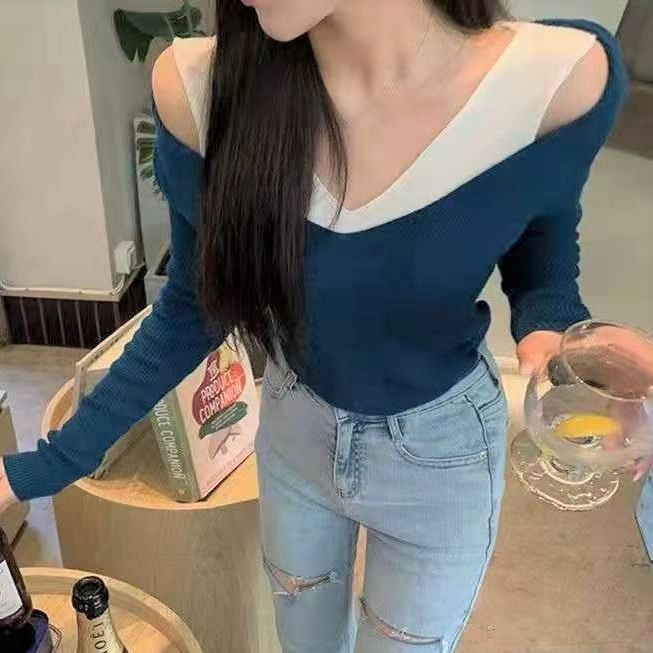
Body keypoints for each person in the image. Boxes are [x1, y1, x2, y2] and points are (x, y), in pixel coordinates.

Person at [0, 1, 643, 650]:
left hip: (440, 454)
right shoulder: (202, 94)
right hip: (296, 429)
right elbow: (194, 306)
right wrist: (44, 466)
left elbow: (542, 243)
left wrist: (557, 337)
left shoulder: (556, 79)